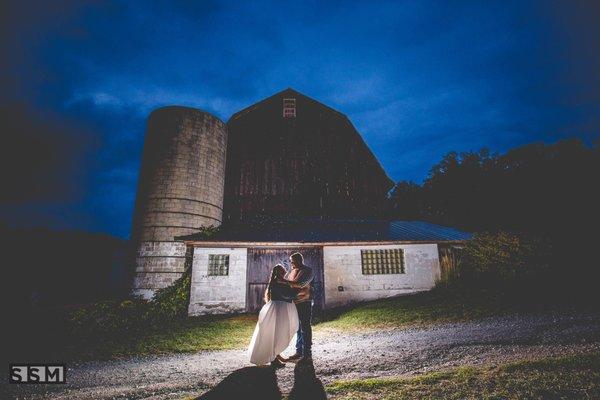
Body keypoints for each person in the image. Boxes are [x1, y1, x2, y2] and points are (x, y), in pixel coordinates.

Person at [247, 264, 299, 368]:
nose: (285, 271)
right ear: (279, 272)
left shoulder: (278, 281)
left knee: (277, 333)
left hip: (280, 308)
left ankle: (276, 355)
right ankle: (274, 359)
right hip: (279, 309)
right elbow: (287, 295)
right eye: (282, 270)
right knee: (277, 333)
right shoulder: (278, 282)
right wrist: (297, 290)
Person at [283, 252, 314, 362]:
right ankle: (299, 352)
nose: (291, 263)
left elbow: (301, 284)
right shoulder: (292, 272)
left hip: (305, 302)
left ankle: (307, 353)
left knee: (305, 327)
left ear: (299, 260)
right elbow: (288, 284)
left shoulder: (308, 271)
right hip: (294, 303)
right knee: (298, 328)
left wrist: (284, 282)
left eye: (292, 261)